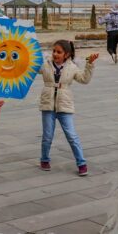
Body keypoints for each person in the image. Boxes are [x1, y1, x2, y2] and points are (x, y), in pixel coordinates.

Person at [38, 40, 98, 176]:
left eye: (59, 52)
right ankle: (44, 159)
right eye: (54, 51)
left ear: (66, 54)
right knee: (47, 136)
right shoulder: (45, 64)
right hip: (48, 105)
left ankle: (81, 163)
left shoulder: (72, 67)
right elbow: (32, 68)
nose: (55, 54)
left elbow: (84, 79)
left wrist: (90, 64)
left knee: (72, 136)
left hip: (64, 105)